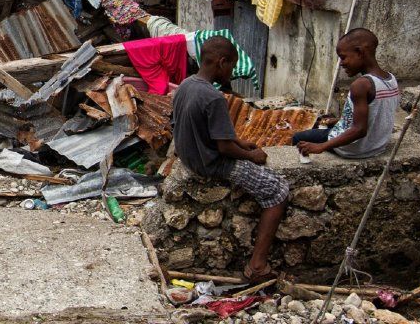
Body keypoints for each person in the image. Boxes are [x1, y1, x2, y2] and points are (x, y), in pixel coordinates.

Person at [171, 36, 288, 283]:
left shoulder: (186, 85)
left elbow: (214, 133)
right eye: (232, 67)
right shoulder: (213, 97)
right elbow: (224, 147)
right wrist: (250, 154)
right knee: (277, 191)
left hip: (191, 156)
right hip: (212, 163)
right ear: (222, 62)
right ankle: (257, 265)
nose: (232, 72)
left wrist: (238, 141)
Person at [294, 28, 400, 159]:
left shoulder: (361, 85)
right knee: (319, 125)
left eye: (343, 57)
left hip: (354, 149)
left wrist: (321, 147)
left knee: (298, 137)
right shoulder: (390, 79)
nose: (341, 64)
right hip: (376, 146)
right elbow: (375, 117)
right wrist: (340, 121)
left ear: (359, 52)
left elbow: (359, 130)